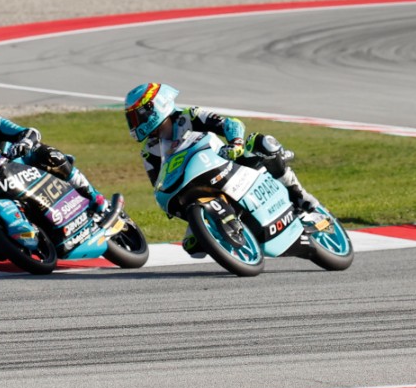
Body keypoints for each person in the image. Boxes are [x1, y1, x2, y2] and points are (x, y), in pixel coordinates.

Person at [122, 82, 317, 257]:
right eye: (132, 118)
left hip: (228, 162)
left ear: (154, 106)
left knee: (261, 143)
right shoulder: (149, 151)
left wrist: (236, 143)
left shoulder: (190, 116)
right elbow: (159, 183)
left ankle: (299, 195)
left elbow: (230, 124)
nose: (135, 123)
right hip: (195, 185)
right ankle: (228, 232)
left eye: (137, 116)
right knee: (191, 246)